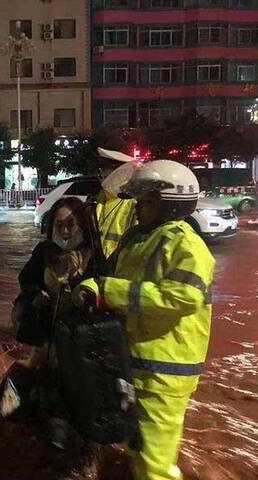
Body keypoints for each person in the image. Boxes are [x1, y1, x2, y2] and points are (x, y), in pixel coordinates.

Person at [73, 160, 215, 480]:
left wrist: (109, 291)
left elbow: (182, 296)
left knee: (154, 463)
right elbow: (113, 281)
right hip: (137, 361)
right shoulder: (139, 239)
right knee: (138, 446)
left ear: (169, 203)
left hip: (165, 368)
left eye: (147, 200)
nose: (138, 206)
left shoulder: (183, 242)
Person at [12, 197, 93, 448]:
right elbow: (26, 278)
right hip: (45, 332)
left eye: (71, 224)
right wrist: (37, 293)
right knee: (39, 379)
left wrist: (83, 287)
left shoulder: (93, 254)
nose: (65, 230)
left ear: (82, 225)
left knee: (69, 386)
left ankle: (68, 437)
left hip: (76, 337)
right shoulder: (44, 251)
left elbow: (103, 290)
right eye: (59, 225)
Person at [95, 147, 137, 259]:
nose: (101, 176)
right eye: (101, 170)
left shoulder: (134, 204)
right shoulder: (99, 198)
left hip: (119, 269)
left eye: (105, 171)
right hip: (97, 267)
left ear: (121, 174)